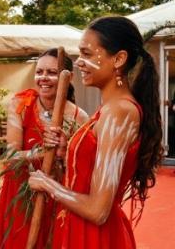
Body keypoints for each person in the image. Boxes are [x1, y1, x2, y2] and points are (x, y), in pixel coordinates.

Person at [28, 16, 163, 249]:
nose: (79, 62)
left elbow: (98, 210)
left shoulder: (119, 112)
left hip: (94, 238)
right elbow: (87, 177)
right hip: (78, 230)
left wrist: (48, 185)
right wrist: (66, 150)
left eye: (87, 54)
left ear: (119, 59)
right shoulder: (109, 110)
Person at [0, 48, 89, 249]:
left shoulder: (80, 117)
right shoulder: (21, 104)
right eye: (39, 72)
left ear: (68, 77)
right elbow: (10, 155)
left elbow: (79, 167)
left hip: (56, 194)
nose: (43, 78)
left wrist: (61, 155)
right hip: (21, 192)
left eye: (52, 73)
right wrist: (43, 152)